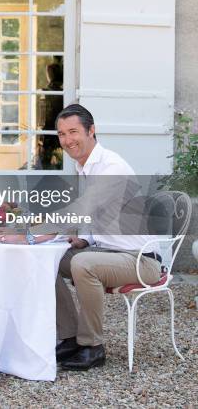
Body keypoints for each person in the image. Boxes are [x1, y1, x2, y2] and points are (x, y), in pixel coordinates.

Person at [53, 104, 162, 370]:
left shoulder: (111, 166)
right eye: (61, 134)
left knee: (83, 264)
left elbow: (80, 211)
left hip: (141, 260)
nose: (67, 140)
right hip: (108, 252)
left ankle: (92, 347)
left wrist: (26, 232)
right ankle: (70, 337)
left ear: (92, 130)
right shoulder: (84, 168)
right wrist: (84, 240)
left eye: (73, 131)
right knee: (48, 257)